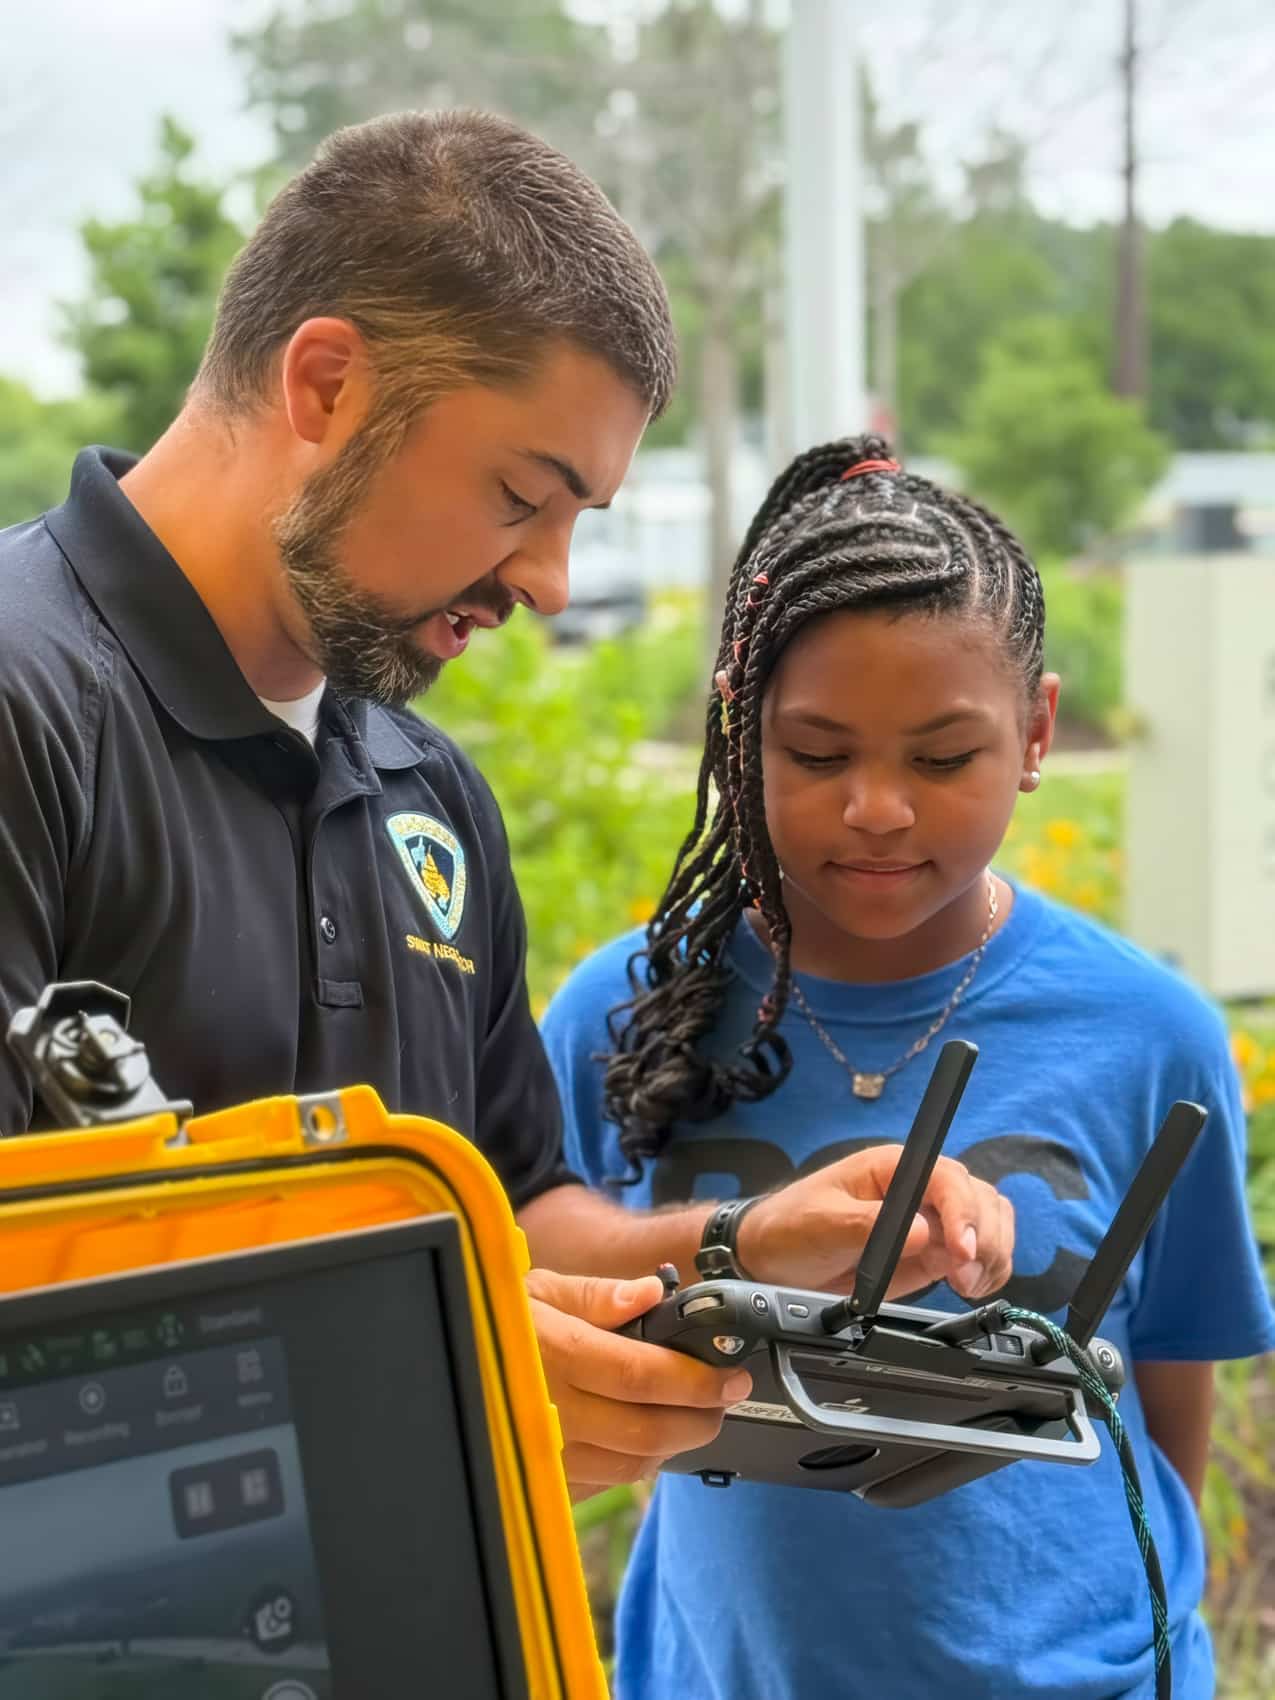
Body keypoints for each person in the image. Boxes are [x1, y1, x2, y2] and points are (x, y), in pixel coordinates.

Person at [0, 118, 1013, 1502]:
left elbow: (507, 1219)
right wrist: (432, 1370)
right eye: (520, 495)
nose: (546, 579)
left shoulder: (428, 793)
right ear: (327, 385)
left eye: (579, 516)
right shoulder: (26, 710)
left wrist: (738, 1249)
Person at [542, 435, 1275, 1693]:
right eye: (818, 753)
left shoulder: (1152, 1033)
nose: (877, 805)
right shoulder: (629, 1007)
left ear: (1036, 729)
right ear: (737, 728)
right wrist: (739, 1245)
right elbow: (531, 1292)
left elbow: (1161, 1418)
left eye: (942, 757)